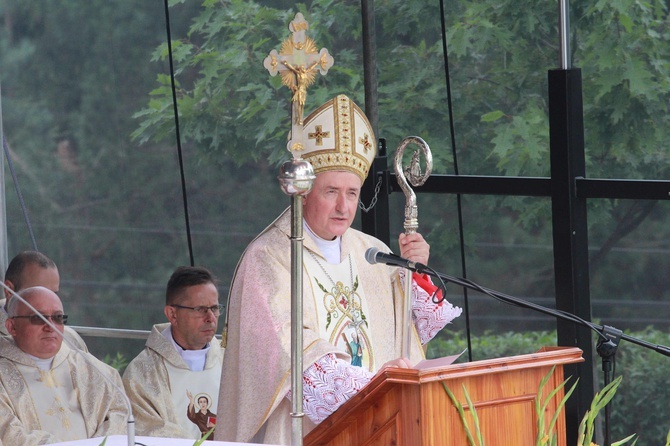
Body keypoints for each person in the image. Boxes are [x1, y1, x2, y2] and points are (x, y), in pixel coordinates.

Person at [215, 94, 462, 444]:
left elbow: (411, 334)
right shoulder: (269, 257)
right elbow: (290, 355)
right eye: (331, 191)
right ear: (304, 193)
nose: (344, 206)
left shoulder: (372, 251)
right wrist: (373, 385)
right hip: (308, 431)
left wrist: (416, 272)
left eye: (352, 192)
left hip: (378, 426)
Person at [0, 286, 129, 445]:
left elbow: (119, 414)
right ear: (12, 327)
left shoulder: (91, 368)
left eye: (58, 317)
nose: (50, 326)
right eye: (39, 318)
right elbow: (7, 433)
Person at [122, 266, 224, 440]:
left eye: (214, 308)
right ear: (172, 314)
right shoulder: (142, 373)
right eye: (200, 309)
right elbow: (148, 431)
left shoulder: (230, 360)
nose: (211, 318)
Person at [1, 251, 88, 352]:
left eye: (54, 294)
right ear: (9, 291)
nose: (49, 300)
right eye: (37, 292)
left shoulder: (71, 340)